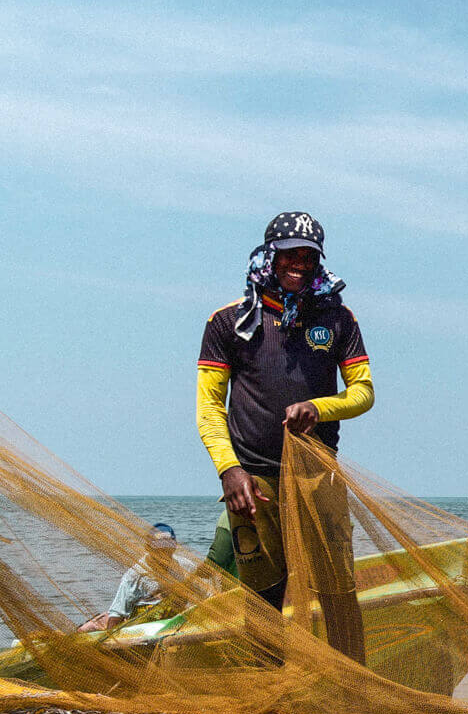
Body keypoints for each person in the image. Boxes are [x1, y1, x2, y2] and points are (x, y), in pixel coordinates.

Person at [196, 211, 373, 663]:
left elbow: (363, 393)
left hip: (318, 475)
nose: (299, 264)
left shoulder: (337, 318)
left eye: (308, 257)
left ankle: (354, 687)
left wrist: (319, 407)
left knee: (338, 591)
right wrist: (229, 470)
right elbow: (210, 408)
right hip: (253, 483)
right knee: (262, 599)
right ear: (268, 256)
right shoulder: (229, 322)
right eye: (289, 254)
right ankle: (269, 688)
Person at [79, 514, 240, 633]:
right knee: (89, 628)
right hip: (139, 625)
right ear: (148, 548)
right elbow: (118, 613)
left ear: (174, 547)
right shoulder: (135, 575)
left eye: (167, 549)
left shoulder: (185, 567)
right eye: (159, 550)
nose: (164, 554)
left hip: (172, 622)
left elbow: (208, 596)